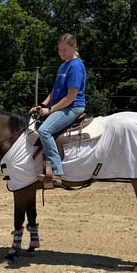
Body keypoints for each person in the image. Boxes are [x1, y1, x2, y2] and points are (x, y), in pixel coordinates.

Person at [29, 34, 87, 185]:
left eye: (65, 49)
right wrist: (42, 105)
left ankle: (56, 171)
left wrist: (51, 110)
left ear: (74, 47)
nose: (61, 53)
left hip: (73, 107)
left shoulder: (75, 66)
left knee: (44, 131)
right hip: (62, 106)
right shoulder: (63, 65)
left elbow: (71, 96)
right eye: (59, 50)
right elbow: (55, 91)